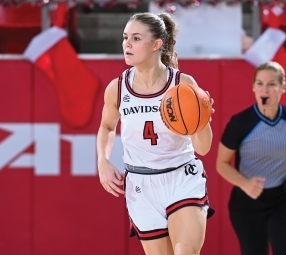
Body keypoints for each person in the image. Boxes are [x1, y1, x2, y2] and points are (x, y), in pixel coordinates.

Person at [97, 12, 214, 255]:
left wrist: (202, 119)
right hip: (141, 184)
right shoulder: (117, 87)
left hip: (181, 177)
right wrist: (103, 161)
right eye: (125, 37)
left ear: (156, 44)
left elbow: (203, 148)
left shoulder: (183, 83)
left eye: (136, 38)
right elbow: (107, 127)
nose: (127, 44)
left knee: (186, 252)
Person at [216, 61, 286, 255]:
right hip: (248, 202)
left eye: (271, 84)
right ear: (253, 87)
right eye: (259, 83)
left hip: (285, 198)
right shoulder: (240, 123)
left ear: (282, 88)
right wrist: (245, 184)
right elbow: (222, 164)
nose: (265, 89)